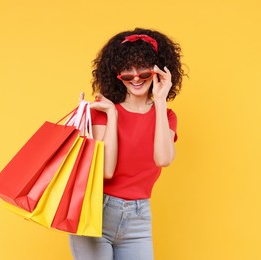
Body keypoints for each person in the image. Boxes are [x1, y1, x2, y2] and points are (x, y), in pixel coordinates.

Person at [69, 28, 186, 260]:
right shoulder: (103, 112)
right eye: (127, 71)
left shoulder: (167, 117)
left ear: (158, 72)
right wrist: (112, 114)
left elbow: (163, 159)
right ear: (117, 74)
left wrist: (160, 100)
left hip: (138, 216)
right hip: (97, 211)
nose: (135, 78)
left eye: (143, 70)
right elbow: (105, 171)